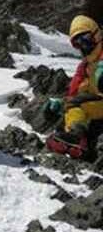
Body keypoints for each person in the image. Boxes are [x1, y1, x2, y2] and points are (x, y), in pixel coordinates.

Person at [47, 15, 103, 159]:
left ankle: (77, 139)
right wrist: (61, 104)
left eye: (85, 39)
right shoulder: (84, 66)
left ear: (97, 34)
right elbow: (74, 94)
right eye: (77, 43)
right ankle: (74, 141)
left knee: (77, 105)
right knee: (72, 108)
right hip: (98, 105)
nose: (83, 45)